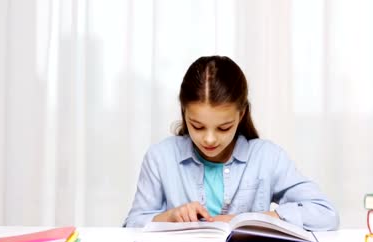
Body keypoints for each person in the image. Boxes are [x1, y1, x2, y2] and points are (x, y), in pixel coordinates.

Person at [123, 55, 339, 231]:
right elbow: (132, 224)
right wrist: (170, 217)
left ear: (241, 114)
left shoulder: (267, 157)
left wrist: (253, 219)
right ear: (184, 112)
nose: (209, 139)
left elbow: (325, 214)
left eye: (223, 127)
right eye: (197, 126)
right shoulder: (160, 157)